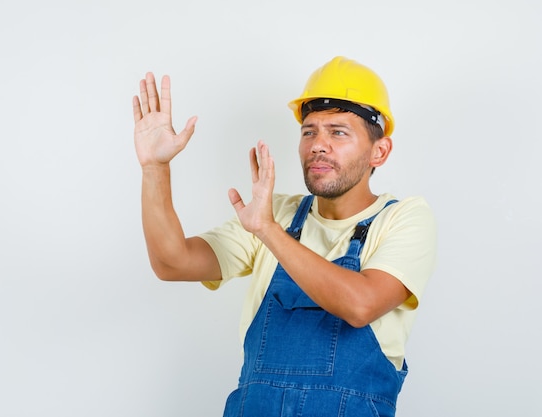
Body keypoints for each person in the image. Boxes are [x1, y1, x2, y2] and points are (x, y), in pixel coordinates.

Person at [132, 56, 437, 417]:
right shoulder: (274, 212)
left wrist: (268, 231)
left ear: (379, 151)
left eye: (338, 132)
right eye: (309, 131)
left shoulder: (404, 218)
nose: (318, 145)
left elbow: (361, 305)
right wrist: (155, 168)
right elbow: (171, 263)